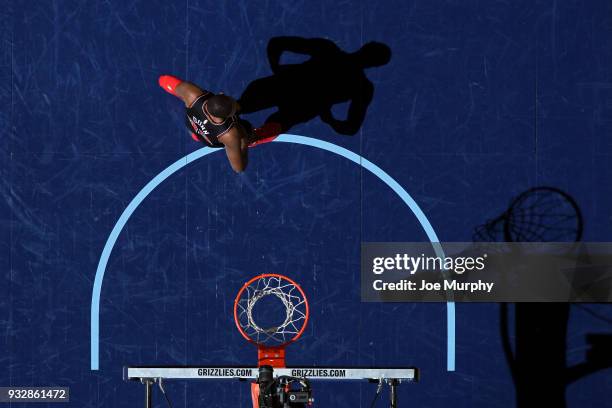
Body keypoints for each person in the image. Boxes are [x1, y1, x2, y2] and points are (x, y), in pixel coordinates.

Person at [158, 75, 281, 173]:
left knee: (199, 129)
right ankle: (253, 139)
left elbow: (166, 81)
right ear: (230, 116)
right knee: (244, 132)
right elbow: (238, 168)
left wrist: (163, 81)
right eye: (233, 107)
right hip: (212, 139)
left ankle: (197, 135)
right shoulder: (229, 135)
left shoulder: (191, 93)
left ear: (219, 95)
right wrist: (242, 147)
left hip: (194, 127)